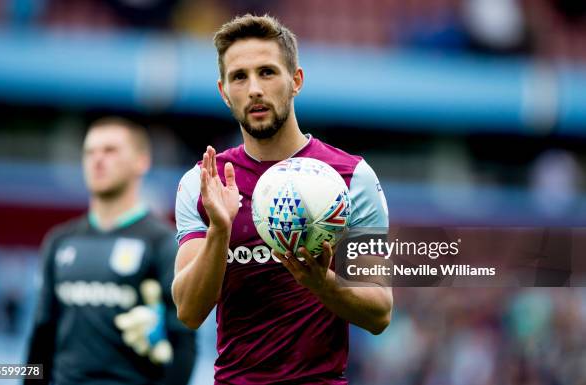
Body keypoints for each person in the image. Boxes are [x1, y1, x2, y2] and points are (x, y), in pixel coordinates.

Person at [172, 14, 392, 384]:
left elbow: (380, 313)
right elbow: (189, 312)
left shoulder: (353, 178)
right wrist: (220, 231)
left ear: (296, 81)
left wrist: (321, 282)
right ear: (224, 91)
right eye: (239, 77)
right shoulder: (204, 183)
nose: (254, 88)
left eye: (268, 72)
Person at [25, 118, 196, 385]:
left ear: (142, 161)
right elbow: (41, 336)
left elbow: (184, 343)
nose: (97, 160)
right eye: (90, 152)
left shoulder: (161, 243)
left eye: (110, 151)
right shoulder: (60, 241)